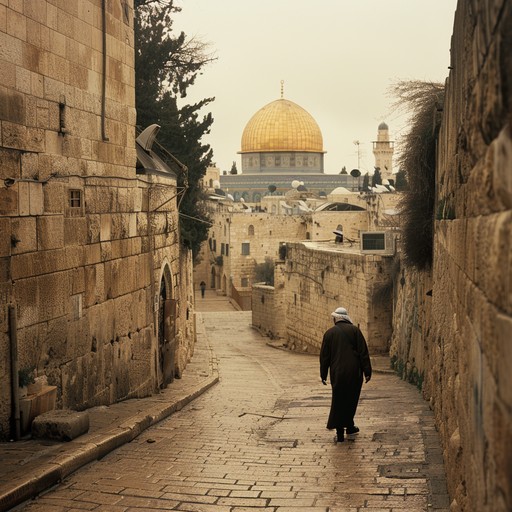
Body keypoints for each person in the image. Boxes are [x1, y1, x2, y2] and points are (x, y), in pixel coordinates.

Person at [320, 306, 372, 443]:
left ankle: (341, 431)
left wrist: (323, 374)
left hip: (337, 372)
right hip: (354, 372)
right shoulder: (355, 331)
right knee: (351, 399)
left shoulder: (329, 333)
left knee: (339, 400)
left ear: (336, 318)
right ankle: (349, 426)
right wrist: (367, 372)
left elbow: (324, 357)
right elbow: (363, 352)